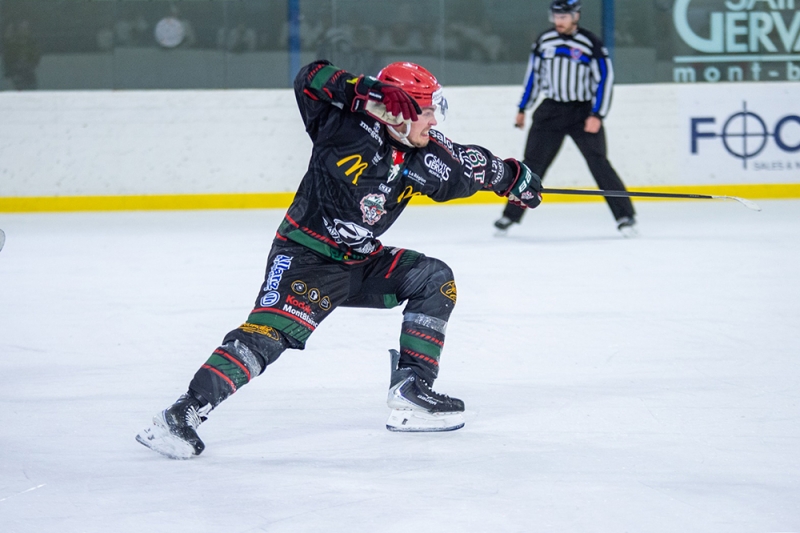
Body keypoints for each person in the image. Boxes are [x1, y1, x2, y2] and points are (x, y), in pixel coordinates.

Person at [135, 59, 543, 459]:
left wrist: (513, 178)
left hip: (360, 260)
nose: (434, 121)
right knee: (266, 337)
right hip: (305, 256)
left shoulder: (427, 155)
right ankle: (180, 416)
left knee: (433, 278)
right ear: (398, 112)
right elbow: (310, 78)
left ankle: (411, 390)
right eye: (426, 110)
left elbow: (471, 164)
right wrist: (366, 89)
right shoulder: (343, 126)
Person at [494, 0, 637, 237]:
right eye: (555, 16)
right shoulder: (544, 41)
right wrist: (523, 108)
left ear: (576, 16)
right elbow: (533, 77)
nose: (558, 21)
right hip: (550, 110)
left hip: (582, 112)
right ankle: (509, 217)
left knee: (599, 163)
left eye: (563, 17)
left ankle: (625, 216)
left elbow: (605, 80)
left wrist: (597, 114)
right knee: (531, 165)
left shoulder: (591, 43)